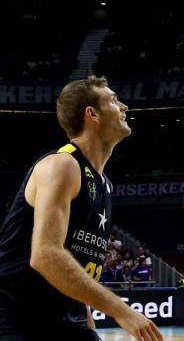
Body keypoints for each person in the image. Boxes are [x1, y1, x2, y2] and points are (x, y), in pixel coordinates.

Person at [0, 77, 163, 341]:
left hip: (67, 318)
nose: (124, 107)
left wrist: (88, 325)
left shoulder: (105, 186)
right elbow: (45, 255)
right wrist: (122, 310)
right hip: (16, 319)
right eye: (112, 100)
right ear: (92, 114)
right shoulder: (61, 165)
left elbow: (80, 268)